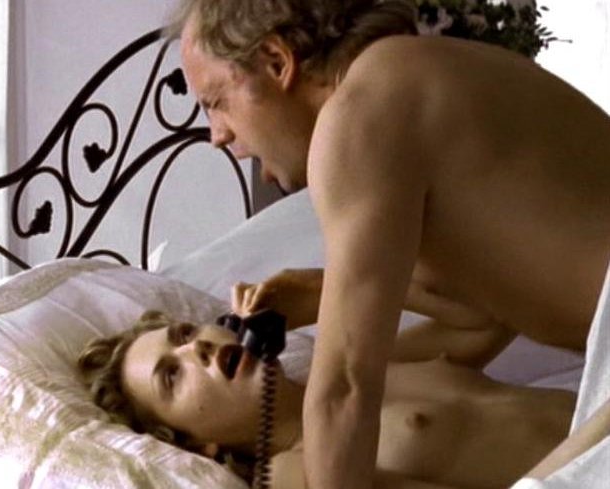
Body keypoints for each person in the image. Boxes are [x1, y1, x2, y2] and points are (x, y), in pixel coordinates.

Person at [169, 1, 610, 487]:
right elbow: (487, 314)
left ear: (277, 62)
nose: (217, 136)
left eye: (215, 102)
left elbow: (344, 393)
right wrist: (320, 292)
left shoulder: (355, 119)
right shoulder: (408, 74)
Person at [78, 299, 576, 488]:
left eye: (186, 334)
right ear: (195, 444)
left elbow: (491, 313)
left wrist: (325, 295)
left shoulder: (355, 367)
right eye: (172, 376)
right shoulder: (296, 472)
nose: (198, 349)